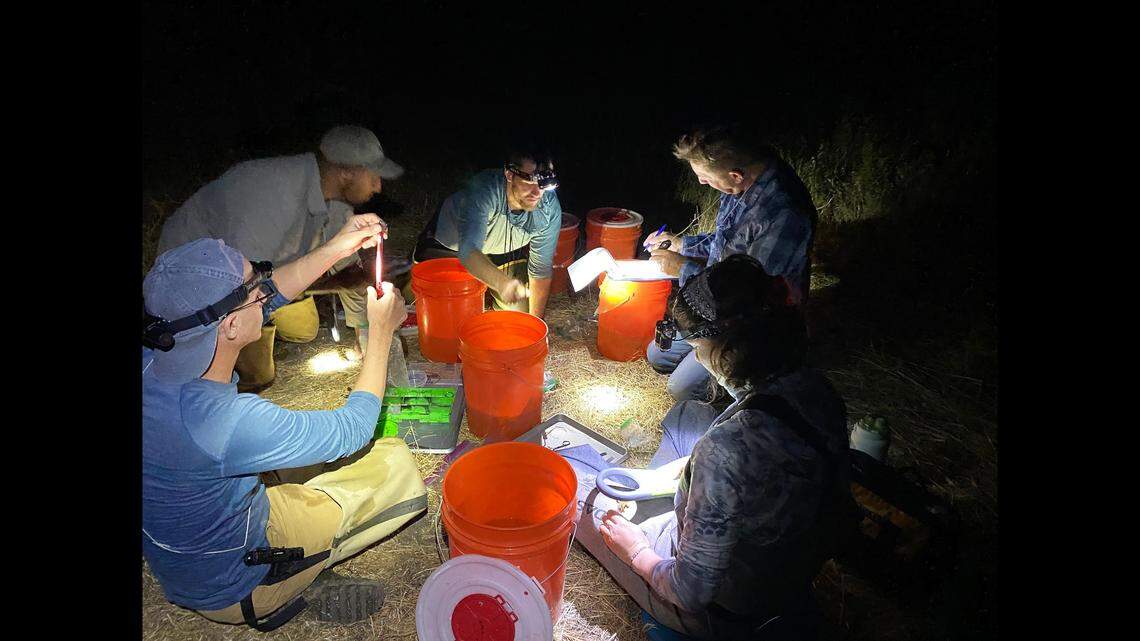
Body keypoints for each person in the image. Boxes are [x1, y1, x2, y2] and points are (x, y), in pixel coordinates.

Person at [142, 217, 428, 630]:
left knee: (284, 466)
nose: (265, 289)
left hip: (187, 558)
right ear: (233, 325)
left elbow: (268, 297)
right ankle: (289, 582)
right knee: (394, 462)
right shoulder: (223, 424)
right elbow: (352, 429)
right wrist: (380, 332)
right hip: (237, 580)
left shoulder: (157, 352)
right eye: (252, 288)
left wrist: (335, 248)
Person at [572, 255, 856, 640]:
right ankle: (656, 498)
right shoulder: (816, 389)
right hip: (784, 570)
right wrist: (664, 477)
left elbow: (690, 591)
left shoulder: (726, 449)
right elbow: (763, 464)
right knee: (689, 413)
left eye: (695, 345)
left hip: (720, 610)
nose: (696, 356)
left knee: (573, 483)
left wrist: (635, 551)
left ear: (727, 347)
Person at [157, 125, 408, 389]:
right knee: (257, 373)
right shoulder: (270, 194)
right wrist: (334, 283)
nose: (379, 187)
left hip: (262, 274)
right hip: (197, 283)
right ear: (346, 172)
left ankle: (271, 327)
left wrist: (365, 334)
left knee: (305, 330)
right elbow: (246, 291)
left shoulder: (336, 204)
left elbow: (350, 273)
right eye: (374, 177)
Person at [645, 124, 817, 402]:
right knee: (658, 354)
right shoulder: (741, 186)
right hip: (717, 302)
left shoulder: (783, 214)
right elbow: (726, 240)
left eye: (703, 177)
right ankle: (702, 352)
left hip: (749, 325)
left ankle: (747, 381)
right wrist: (682, 243)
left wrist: (683, 269)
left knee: (682, 388)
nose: (701, 182)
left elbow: (748, 296)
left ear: (735, 176)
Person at [412, 146, 562, 318]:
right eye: (529, 181)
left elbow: (540, 270)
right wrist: (502, 283)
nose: (537, 192)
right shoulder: (483, 190)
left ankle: (486, 281)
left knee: (521, 311)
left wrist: (536, 324)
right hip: (449, 246)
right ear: (509, 174)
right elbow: (468, 250)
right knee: (439, 309)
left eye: (543, 184)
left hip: (500, 250)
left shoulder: (549, 209)